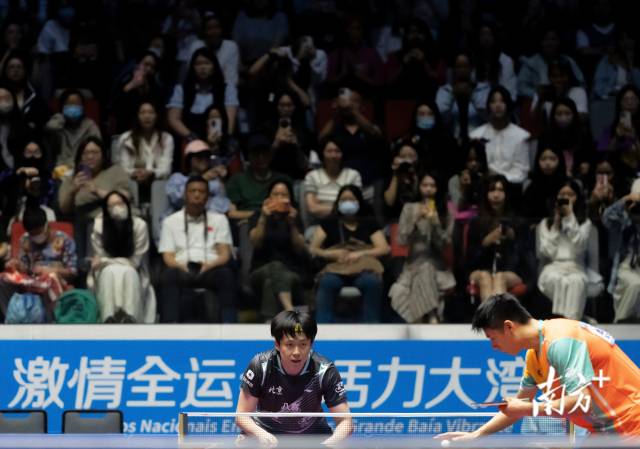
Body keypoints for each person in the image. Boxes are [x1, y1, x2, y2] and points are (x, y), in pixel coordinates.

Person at [435, 293, 640, 440]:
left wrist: (528, 408)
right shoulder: (534, 356)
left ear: (508, 327)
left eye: (492, 338)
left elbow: (581, 401)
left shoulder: (561, 340)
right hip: (605, 431)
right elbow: (518, 405)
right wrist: (476, 434)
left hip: (633, 421)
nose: (493, 346)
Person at [236, 310, 352, 445]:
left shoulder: (324, 370)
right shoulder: (261, 366)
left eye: (303, 344)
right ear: (277, 344)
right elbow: (242, 415)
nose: (297, 352)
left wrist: (328, 444)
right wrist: (261, 434)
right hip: (267, 433)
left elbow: (345, 421)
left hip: (314, 436)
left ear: (311, 344)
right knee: (242, 443)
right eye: (290, 345)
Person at [158, 175, 236, 323]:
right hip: (182, 268)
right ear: (185, 194)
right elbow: (168, 256)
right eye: (192, 191)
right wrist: (181, 267)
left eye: (201, 191)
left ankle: (229, 324)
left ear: (208, 197)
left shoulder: (219, 219)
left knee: (226, 275)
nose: (197, 194)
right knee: (168, 275)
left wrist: (209, 265)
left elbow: (224, 253)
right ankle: (170, 325)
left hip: (210, 268)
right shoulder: (170, 221)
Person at [310, 185, 390, 323]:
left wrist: (359, 254)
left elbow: (384, 248)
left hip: (363, 269)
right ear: (338, 202)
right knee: (326, 283)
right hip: (337, 269)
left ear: (359, 201)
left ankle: (372, 326)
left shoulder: (369, 222)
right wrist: (331, 254)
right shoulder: (329, 223)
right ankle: (323, 327)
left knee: (372, 282)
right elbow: (313, 249)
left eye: (351, 199)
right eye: (343, 200)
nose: (348, 202)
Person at [389, 172, 455, 323]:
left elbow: (446, 244)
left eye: (432, 186)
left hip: (438, 267)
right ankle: (431, 315)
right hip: (412, 266)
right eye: (425, 185)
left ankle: (421, 318)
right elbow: (401, 241)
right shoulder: (409, 208)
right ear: (419, 187)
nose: (428, 189)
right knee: (401, 289)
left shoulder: (446, 210)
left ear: (438, 188)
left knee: (426, 269)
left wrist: (435, 224)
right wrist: (414, 221)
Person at [88, 191, 156, 323]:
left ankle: (131, 317)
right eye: (111, 205)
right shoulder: (98, 227)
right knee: (109, 272)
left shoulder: (140, 226)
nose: (116, 208)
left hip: (134, 270)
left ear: (127, 205)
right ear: (106, 209)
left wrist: (105, 261)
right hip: (106, 270)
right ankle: (108, 318)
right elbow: (100, 260)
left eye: (120, 203)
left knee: (128, 272)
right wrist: (105, 262)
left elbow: (135, 262)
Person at [249, 181, 309, 321]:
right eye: (275, 194)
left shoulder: (294, 216)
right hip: (260, 271)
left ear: (290, 199)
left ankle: (269, 323)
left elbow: (300, 248)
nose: (279, 198)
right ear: (268, 198)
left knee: (271, 282)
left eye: (284, 195)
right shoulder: (258, 215)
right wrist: (263, 217)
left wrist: (292, 224)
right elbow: (255, 243)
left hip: (292, 272)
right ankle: (290, 311)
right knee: (275, 266)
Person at [537, 180, 592, 320]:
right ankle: (564, 320)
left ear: (577, 198)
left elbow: (579, 247)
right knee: (557, 280)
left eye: (570, 194)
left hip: (576, 267)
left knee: (576, 282)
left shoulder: (585, 222)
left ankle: (571, 322)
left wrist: (569, 218)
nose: (566, 198)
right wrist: (556, 224)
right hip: (553, 266)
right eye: (562, 194)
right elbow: (547, 251)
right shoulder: (546, 223)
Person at [466, 175, 522, 303]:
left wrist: (512, 239)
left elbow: (525, 257)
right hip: (479, 270)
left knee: (499, 277)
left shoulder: (516, 221)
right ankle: (496, 316)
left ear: (507, 194)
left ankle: (493, 316)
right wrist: (486, 242)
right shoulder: (476, 222)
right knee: (484, 276)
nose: (496, 195)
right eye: (492, 190)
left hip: (510, 271)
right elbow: (469, 259)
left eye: (500, 190)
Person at [470, 86, 531, 198]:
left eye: (502, 101)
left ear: (508, 105)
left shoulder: (521, 136)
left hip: (512, 191)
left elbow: (521, 172)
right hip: (483, 190)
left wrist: (498, 180)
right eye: (493, 101)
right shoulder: (476, 135)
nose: (498, 105)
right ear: (488, 106)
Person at [602, 180, 640, 322]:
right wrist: (625, 200)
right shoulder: (623, 219)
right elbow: (606, 218)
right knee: (635, 284)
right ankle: (621, 320)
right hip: (625, 267)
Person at [47, 88, 101, 170]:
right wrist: (58, 119)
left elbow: (97, 152)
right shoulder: (58, 125)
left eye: (77, 104)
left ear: (82, 107)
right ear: (62, 107)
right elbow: (49, 135)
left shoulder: (90, 126)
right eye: (69, 104)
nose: (73, 107)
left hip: (85, 169)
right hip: (60, 169)